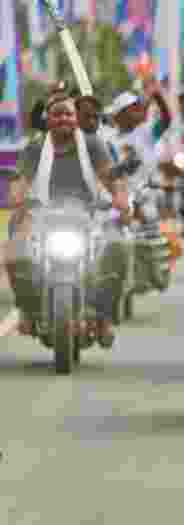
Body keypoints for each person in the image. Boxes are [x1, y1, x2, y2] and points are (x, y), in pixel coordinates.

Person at [5, 93, 129, 343]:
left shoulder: (93, 144)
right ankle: (29, 310)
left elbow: (108, 176)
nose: (63, 118)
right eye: (57, 114)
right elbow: (21, 181)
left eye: (68, 114)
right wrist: (17, 196)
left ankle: (104, 317)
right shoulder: (35, 148)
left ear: (76, 119)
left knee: (118, 247)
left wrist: (119, 197)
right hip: (41, 214)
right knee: (15, 254)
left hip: (88, 214)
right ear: (47, 119)